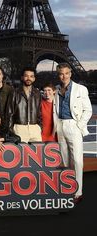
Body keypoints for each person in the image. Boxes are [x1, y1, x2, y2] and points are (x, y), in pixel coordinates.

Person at [53, 63, 92, 203]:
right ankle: (67, 187)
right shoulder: (56, 90)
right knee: (64, 160)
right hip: (60, 125)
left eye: (66, 73)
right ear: (58, 75)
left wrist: (78, 125)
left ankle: (78, 192)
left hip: (73, 125)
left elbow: (88, 110)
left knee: (77, 160)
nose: (63, 76)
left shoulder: (81, 89)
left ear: (70, 74)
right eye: (61, 74)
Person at [7, 67, 42, 143]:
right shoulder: (14, 92)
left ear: (34, 78)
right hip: (20, 127)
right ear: (22, 77)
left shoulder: (37, 93)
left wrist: (39, 127)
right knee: (21, 154)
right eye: (26, 76)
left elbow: (40, 111)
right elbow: (10, 112)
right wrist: (11, 130)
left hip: (35, 128)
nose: (28, 78)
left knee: (38, 153)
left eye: (31, 76)